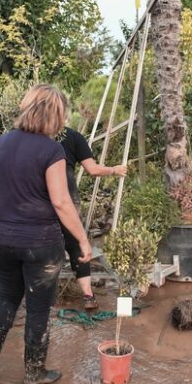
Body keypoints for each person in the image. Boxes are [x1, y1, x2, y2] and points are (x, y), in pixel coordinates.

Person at [0, 84, 92, 384]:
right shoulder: (51, 150)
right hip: (41, 243)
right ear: (57, 116)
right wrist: (82, 240)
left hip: (2, 238)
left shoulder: (0, 144)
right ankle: (33, 373)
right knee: (39, 307)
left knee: (5, 295)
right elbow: (62, 202)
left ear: (26, 107)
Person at [55, 127, 127, 309]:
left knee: (43, 244)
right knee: (77, 243)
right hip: (67, 195)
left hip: (38, 198)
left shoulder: (32, 136)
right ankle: (88, 295)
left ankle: (42, 297)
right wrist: (114, 170)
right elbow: (92, 170)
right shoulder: (73, 136)